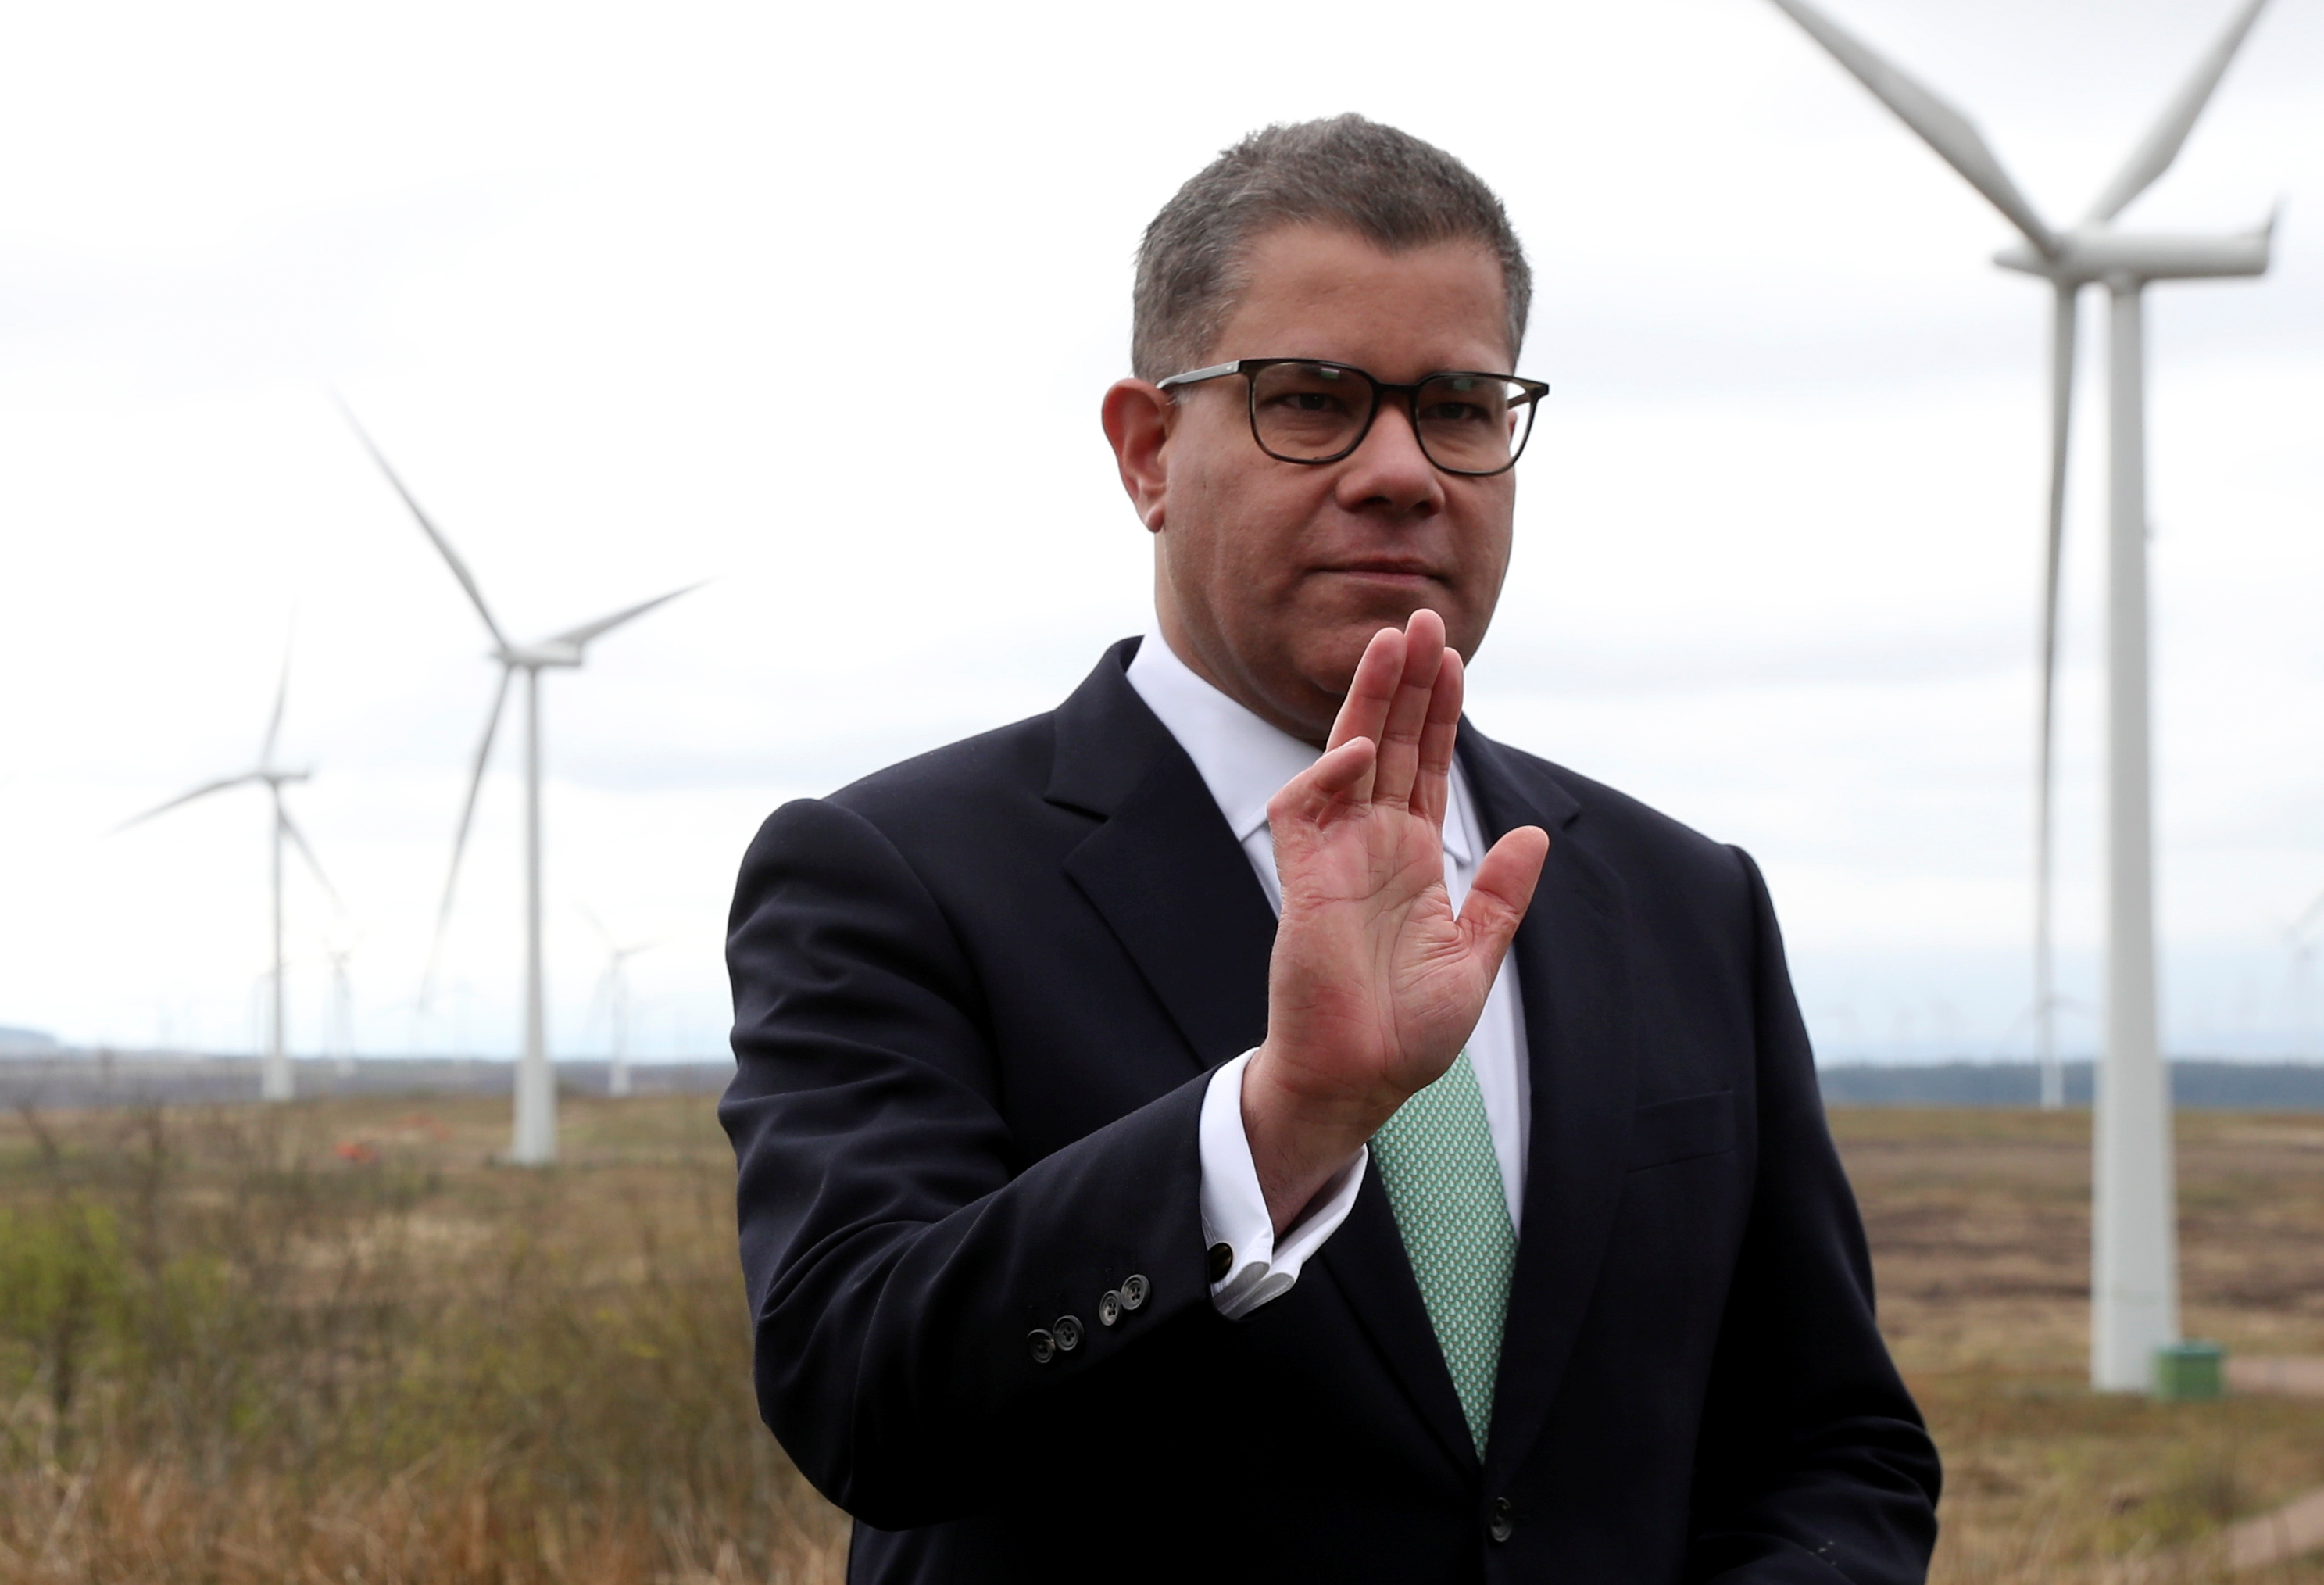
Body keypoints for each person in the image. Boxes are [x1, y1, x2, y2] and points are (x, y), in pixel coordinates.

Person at [720, 115, 1940, 1583]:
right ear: (1148, 450)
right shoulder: (892, 877)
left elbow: (1831, 1444)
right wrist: (1277, 1122)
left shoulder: (1685, 900)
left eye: (1461, 406)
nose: (1400, 470)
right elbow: (862, 1395)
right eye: (1310, 400)